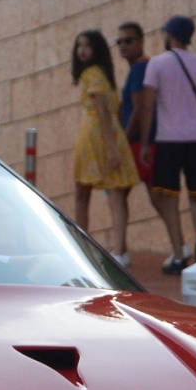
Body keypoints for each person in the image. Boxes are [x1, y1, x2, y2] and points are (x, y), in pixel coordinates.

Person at [133, 14, 196, 274]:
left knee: (167, 198)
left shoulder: (158, 65)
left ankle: (179, 253)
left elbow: (148, 105)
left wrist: (144, 143)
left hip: (168, 139)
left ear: (170, 36)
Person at [66, 29, 133, 263]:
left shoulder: (91, 75)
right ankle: (120, 249)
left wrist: (111, 148)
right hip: (109, 134)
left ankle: (82, 245)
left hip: (95, 136)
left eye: (87, 46)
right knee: (115, 194)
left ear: (97, 49)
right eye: (79, 45)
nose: (81, 51)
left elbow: (103, 110)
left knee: (83, 194)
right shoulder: (103, 74)